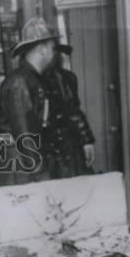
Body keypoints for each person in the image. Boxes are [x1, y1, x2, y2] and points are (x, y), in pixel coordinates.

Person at [0, 17, 59, 185]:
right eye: (52, 48)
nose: (54, 53)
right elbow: (25, 135)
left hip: (26, 167)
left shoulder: (31, 79)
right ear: (43, 48)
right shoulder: (21, 82)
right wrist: (40, 175)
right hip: (25, 172)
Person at [41, 42, 96, 178]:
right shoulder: (33, 78)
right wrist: (86, 140)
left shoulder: (65, 78)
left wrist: (86, 141)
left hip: (63, 147)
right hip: (57, 148)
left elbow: (73, 110)